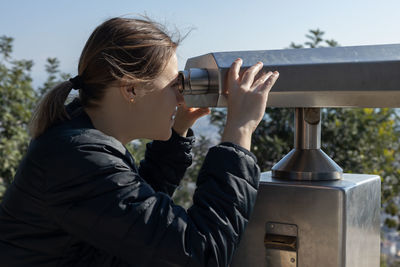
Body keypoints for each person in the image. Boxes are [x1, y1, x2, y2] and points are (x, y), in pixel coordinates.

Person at [0, 17, 279, 267]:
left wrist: (177, 131)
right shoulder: (78, 157)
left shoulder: (77, 137)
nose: (181, 98)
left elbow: (131, 218)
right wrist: (239, 131)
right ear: (131, 89)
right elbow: (200, 251)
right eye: (174, 85)